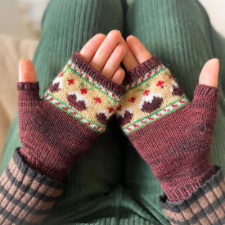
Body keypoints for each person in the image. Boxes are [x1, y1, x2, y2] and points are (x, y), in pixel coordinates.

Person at [0, 0, 225, 224]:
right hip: (189, 209)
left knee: (81, 7)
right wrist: (186, 175)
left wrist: (38, 162)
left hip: (41, 209)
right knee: (169, 6)